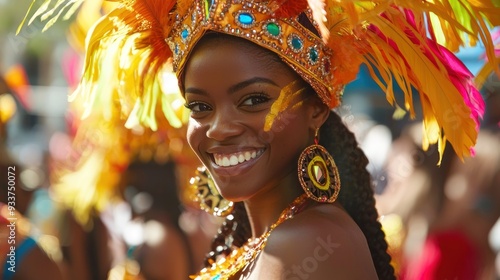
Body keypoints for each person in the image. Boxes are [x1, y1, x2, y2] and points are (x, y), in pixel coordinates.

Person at [20, 0, 500, 279]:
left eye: (252, 100)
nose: (219, 127)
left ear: (316, 107)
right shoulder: (265, 241)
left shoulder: (313, 241)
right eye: (200, 107)